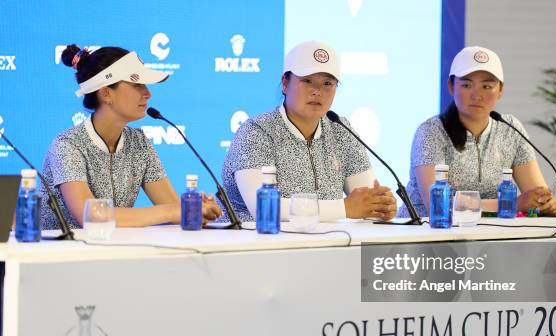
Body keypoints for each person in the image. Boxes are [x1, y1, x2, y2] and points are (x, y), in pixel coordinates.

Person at [40, 45, 221, 229]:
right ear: (106, 93)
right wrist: (174, 211)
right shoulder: (67, 145)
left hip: (114, 252)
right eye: (137, 85)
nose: (148, 94)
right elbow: (92, 217)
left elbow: (175, 210)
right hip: (60, 254)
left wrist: (196, 210)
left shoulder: (139, 142)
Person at [221, 41, 396, 222]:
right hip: (252, 245)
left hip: (324, 243)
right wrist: (344, 208)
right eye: (307, 81)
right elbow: (264, 209)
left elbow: (367, 199)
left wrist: (381, 206)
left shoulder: (341, 130)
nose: (317, 91)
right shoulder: (256, 132)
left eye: (327, 83)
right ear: (285, 84)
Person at [399, 46, 556, 218]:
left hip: (486, 237)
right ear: (451, 87)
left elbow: (536, 195)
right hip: (425, 236)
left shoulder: (510, 129)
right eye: (467, 85)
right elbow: (438, 206)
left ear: (500, 90)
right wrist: (512, 203)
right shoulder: (431, 132)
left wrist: (543, 203)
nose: (477, 95)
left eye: (487, 86)